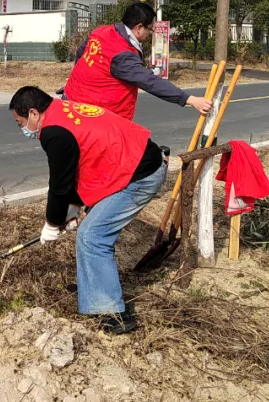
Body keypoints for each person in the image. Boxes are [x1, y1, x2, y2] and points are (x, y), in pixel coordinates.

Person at [10, 86, 168, 334]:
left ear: (33, 113)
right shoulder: (63, 107)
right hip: (129, 164)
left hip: (140, 174)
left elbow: (60, 185)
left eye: (20, 122)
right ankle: (93, 288)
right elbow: (78, 169)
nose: (22, 129)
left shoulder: (53, 131)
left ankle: (113, 313)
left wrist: (52, 224)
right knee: (89, 227)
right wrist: (75, 212)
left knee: (92, 236)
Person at [62, 2, 211, 122]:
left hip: (72, 102)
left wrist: (79, 78)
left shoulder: (103, 32)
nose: (149, 34)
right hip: (97, 115)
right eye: (150, 30)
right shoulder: (122, 54)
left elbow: (82, 51)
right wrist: (189, 99)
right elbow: (149, 81)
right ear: (139, 27)